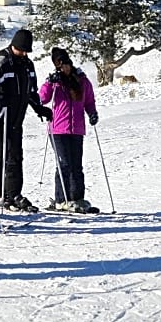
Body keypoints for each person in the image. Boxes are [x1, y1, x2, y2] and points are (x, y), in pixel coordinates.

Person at [0, 29, 52, 212]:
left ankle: (13, 194)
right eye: (20, 49)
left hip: (17, 117)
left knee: (16, 155)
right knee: (1, 152)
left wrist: (39, 108)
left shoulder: (28, 65)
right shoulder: (2, 61)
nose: (24, 53)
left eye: (26, 50)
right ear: (13, 45)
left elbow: (31, 93)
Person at [38, 47, 99, 213]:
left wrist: (92, 113)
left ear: (69, 63)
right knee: (63, 164)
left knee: (76, 165)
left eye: (64, 64)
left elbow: (89, 101)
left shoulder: (81, 80)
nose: (63, 68)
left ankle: (77, 198)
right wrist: (50, 82)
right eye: (59, 66)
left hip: (77, 129)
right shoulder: (55, 82)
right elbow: (42, 99)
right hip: (58, 130)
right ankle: (61, 199)